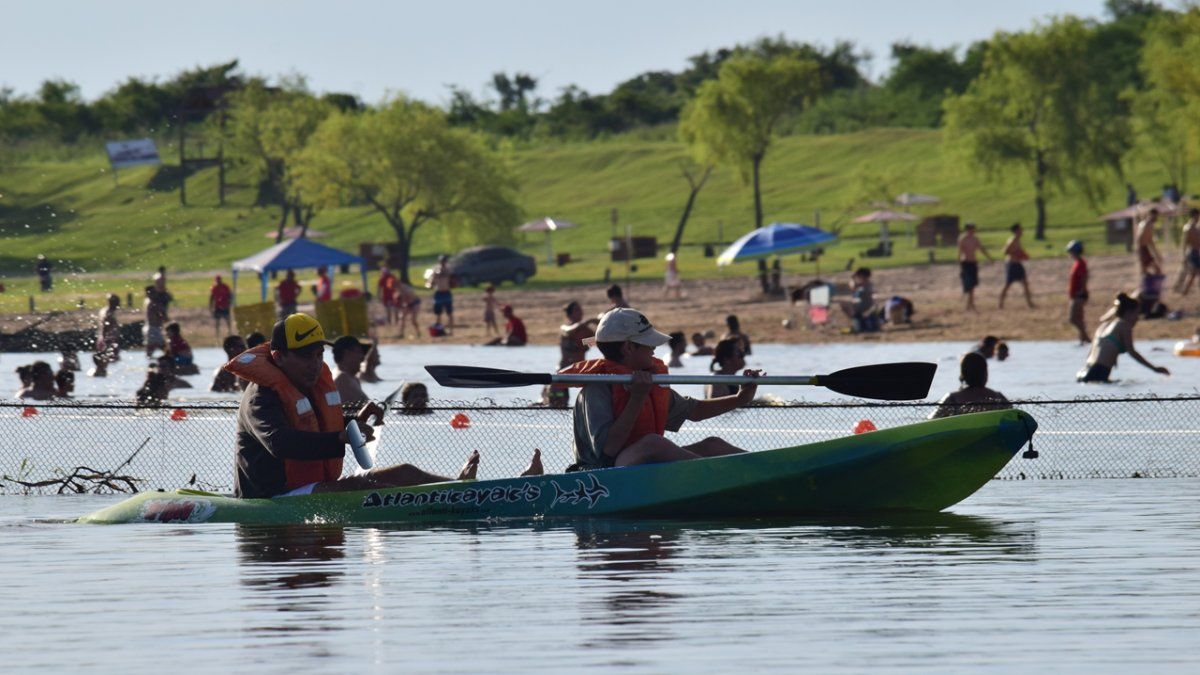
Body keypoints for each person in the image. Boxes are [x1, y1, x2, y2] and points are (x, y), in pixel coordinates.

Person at [222, 313, 531, 499]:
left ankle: (465, 488)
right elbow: (280, 442)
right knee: (374, 484)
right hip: (272, 498)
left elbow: (316, 427)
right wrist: (339, 439)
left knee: (404, 472)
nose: (315, 364)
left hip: (309, 488)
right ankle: (468, 494)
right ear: (278, 357)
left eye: (319, 355)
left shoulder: (308, 388)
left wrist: (352, 421)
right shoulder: (261, 395)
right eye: (305, 356)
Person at [560, 308, 760, 470]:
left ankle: (766, 470)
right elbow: (608, 450)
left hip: (641, 468)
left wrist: (740, 398)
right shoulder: (596, 389)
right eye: (648, 343)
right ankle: (719, 477)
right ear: (628, 348)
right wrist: (637, 398)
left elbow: (695, 411)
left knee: (712, 444)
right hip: (603, 475)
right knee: (654, 443)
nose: (654, 349)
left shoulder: (648, 380)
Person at [1077, 293, 1171, 383]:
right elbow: (1132, 352)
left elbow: (1092, 353)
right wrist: (1154, 369)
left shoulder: (1104, 325)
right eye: (1136, 314)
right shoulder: (1124, 325)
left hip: (1083, 371)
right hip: (1098, 372)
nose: (1137, 318)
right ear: (1128, 313)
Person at [929, 353, 1011, 419]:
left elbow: (932, 420)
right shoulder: (999, 397)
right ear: (985, 373)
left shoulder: (952, 399)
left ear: (963, 373)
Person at [957, 222, 993, 312]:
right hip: (965, 263)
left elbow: (982, 249)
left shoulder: (975, 239)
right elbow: (959, 253)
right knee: (969, 284)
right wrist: (960, 266)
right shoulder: (963, 239)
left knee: (972, 284)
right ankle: (970, 304)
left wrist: (989, 258)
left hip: (973, 263)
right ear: (967, 229)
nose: (973, 230)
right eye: (971, 229)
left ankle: (970, 304)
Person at [999, 223, 1035, 309]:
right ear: (1016, 231)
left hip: (1017, 264)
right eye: (1020, 229)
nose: (1022, 231)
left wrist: (1023, 254)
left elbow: (1017, 250)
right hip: (1011, 264)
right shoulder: (1013, 239)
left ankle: (1030, 304)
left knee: (1025, 283)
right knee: (1007, 284)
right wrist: (1017, 254)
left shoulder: (1017, 240)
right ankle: (1001, 303)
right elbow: (1005, 251)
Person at [332, 335, 372, 404]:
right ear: (347, 354)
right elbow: (370, 409)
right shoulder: (343, 379)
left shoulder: (353, 379)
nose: (362, 357)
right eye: (359, 352)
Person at [559, 301, 599, 369]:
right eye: (577, 310)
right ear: (569, 315)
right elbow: (568, 332)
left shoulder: (587, 331)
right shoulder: (564, 328)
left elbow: (598, 341)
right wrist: (587, 321)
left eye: (580, 310)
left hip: (579, 369)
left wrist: (600, 324)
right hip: (564, 368)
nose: (581, 312)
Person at [839, 267, 876, 332]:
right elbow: (853, 287)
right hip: (864, 303)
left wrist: (852, 278)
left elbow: (853, 286)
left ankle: (857, 320)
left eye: (859, 275)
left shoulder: (866, 283)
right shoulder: (865, 283)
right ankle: (858, 320)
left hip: (866, 304)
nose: (858, 277)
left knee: (846, 307)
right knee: (845, 305)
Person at [1066, 240, 1089, 344]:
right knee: (1079, 319)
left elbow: (1084, 278)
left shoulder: (1081, 263)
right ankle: (1082, 340)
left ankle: (1086, 338)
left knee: (1073, 319)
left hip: (1078, 295)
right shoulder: (1077, 263)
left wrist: (1082, 292)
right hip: (1075, 295)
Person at [427, 254, 455, 335]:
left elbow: (453, 280)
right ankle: (438, 330)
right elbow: (430, 281)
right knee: (438, 313)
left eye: (444, 261)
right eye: (442, 261)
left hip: (446, 292)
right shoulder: (435, 270)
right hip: (438, 292)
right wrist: (429, 285)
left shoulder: (449, 270)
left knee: (449, 312)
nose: (443, 262)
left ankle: (451, 330)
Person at [143, 281, 172, 358]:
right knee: (166, 350)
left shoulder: (147, 301)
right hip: (153, 329)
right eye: (153, 292)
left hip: (151, 329)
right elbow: (163, 315)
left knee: (150, 352)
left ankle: (149, 364)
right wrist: (170, 323)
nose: (156, 293)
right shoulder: (153, 303)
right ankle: (172, 364)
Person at [95, 293, 122, 366]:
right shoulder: (108, 313)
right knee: (111, 362)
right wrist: (105, 341)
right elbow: (105, 327)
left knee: (106, 362)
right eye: (117, 303)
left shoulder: (104, 310)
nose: (119, 305)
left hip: (104, 340)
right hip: (107, 341)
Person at [1134, 208, 1163, 276]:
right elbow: (1142, 239)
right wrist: (1157, 254)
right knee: (1156, 270)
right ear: (1152, 215)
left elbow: (1148, 240)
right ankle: (1148, 285)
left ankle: (1147, 285)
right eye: (1156, 216)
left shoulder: (1144, 223)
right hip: (1143, 249)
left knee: (1146, 271)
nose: (1157, 218)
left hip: (1144, 249)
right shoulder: (1148, 225)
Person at [1179, 208, 1200, 296]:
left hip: (1196, 252)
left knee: (1195, 273)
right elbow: (1184, 243)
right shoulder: (1188, 227)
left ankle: (1185, 291)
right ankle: (1184, 291)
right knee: (1193, 273)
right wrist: (1183, 256)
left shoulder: (1196, 227)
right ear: (1195, 215)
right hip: (1192, 252)